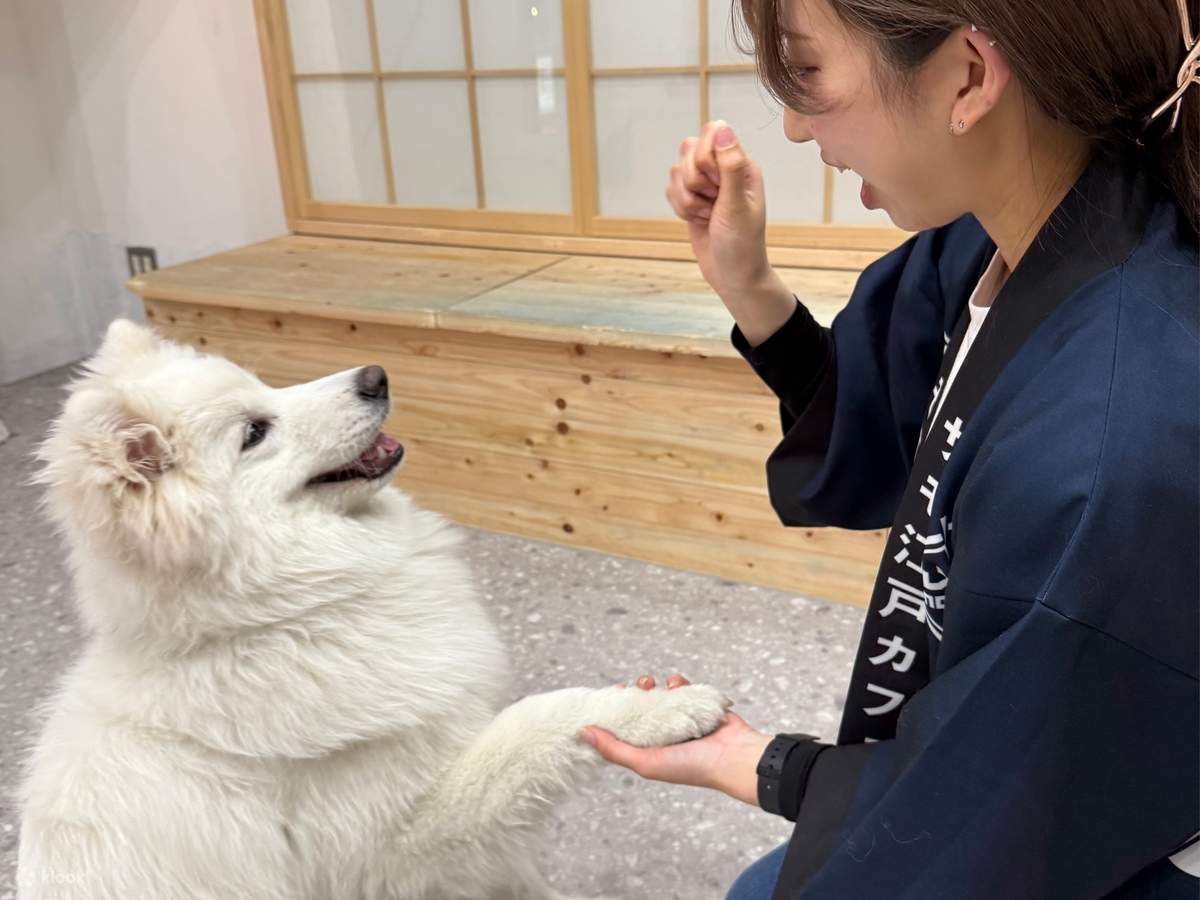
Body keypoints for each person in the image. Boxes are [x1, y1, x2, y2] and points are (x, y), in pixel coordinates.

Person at [577, 0, 1200, 897]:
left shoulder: (1102, 444)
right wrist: (747, 283)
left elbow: (1005, 813)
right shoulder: (999, 239)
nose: (793, 126)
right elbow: (900, 431)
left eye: (809, 72)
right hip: (1013, 770)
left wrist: (773, 766)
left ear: (970, 77)